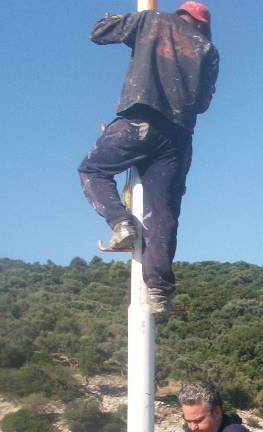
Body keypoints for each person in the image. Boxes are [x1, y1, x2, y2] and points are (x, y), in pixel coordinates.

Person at [78, 2, 219, 314]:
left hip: (140, 120)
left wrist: (123, 26)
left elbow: (99, 33)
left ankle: (121, 223)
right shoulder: (207, 49)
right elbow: (204, 104)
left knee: (93, 170)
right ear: (202, 25)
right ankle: (159, 291)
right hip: (178, 136)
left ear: (181, 14)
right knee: (163, 210)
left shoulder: (151, 21)